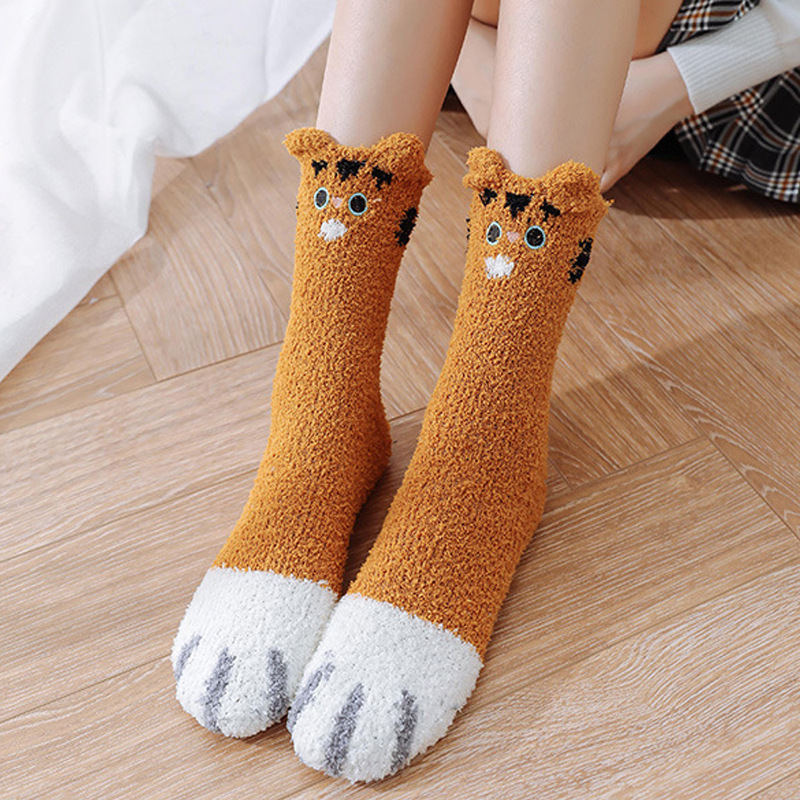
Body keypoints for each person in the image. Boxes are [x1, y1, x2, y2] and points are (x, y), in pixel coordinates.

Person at [171, 0, 800, 784]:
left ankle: (484, 450)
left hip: (729, 70)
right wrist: (481, 63)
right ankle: (322, 408)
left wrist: (677, 84)